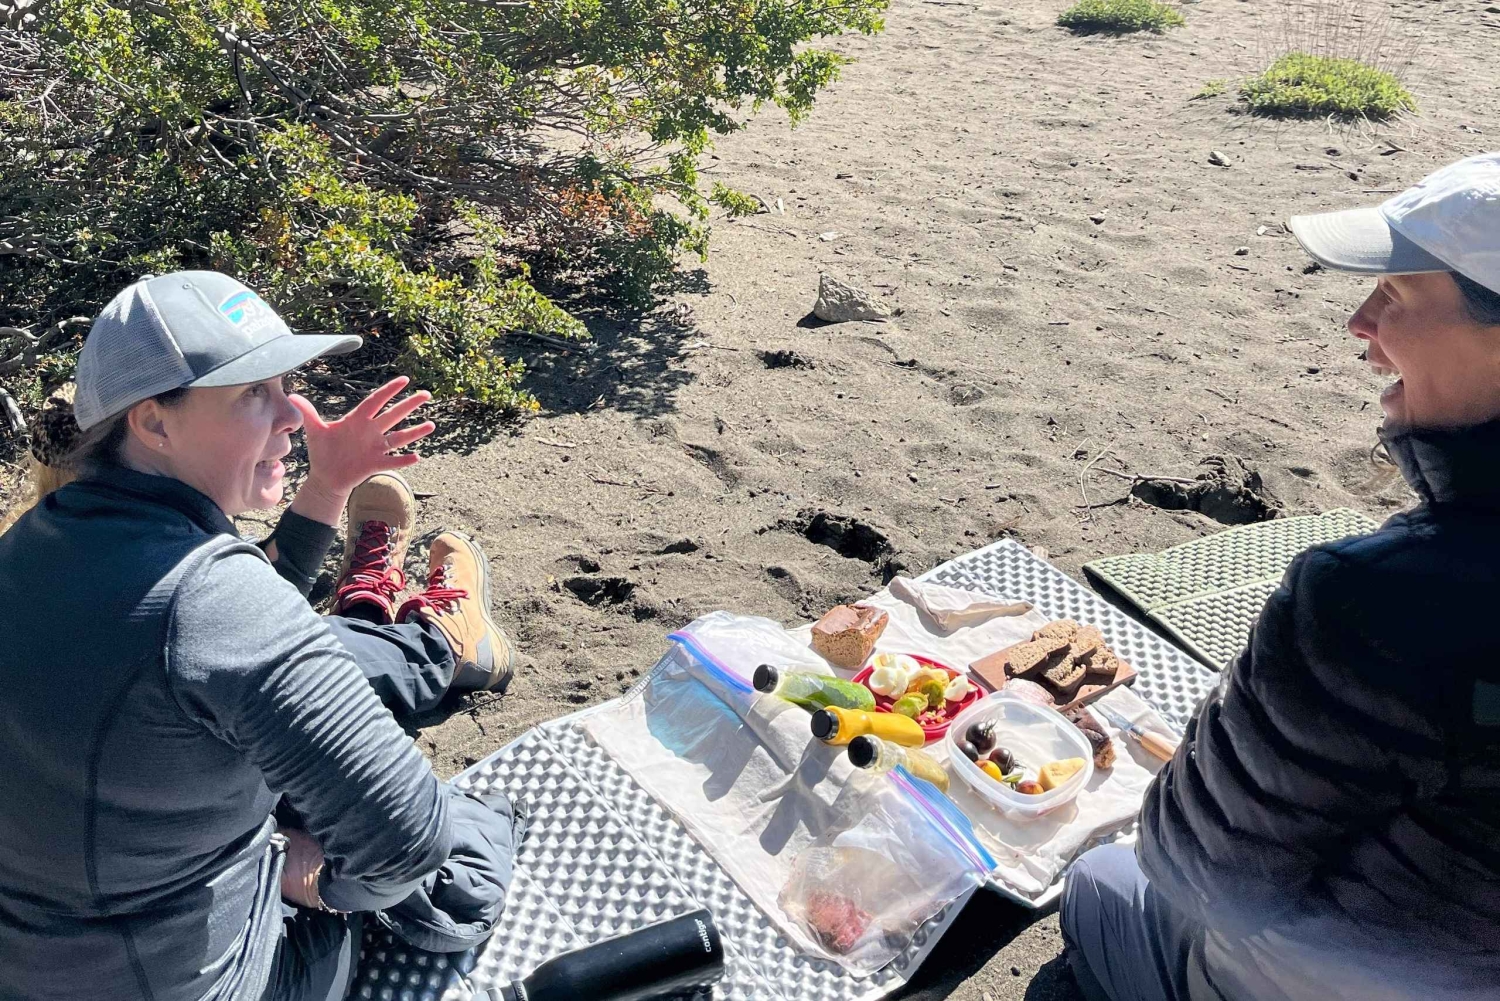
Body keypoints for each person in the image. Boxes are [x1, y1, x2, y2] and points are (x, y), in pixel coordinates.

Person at [0, 272, 521, 1001]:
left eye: (286, 383)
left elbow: (210, 640)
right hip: (205, 978)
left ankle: (421, 634)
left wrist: (328, 483)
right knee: (462, 859)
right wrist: (309, 877)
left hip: (52, 953)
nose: (292, 414)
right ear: (154, 422)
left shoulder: (30, 543)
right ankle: (435, 637)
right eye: (253, 392)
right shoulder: (216, 602)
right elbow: (407, 839)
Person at [1060, 150, 1500, 1001]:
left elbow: (1196, 864)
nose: (1360, 321)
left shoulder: (1377, 600)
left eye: (1398, 295)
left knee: (1099, 881)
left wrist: (1250, 701)